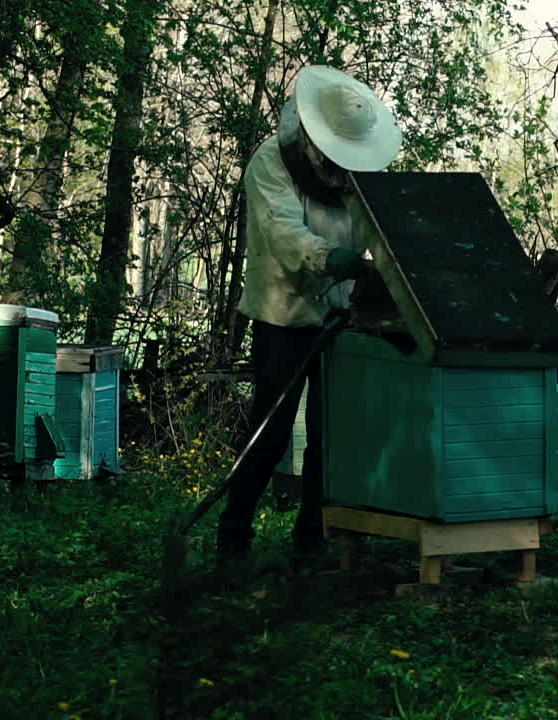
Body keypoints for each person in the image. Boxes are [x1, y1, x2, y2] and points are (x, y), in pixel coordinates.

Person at [217, 65, 403, 565]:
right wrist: (331, 258)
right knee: (272, 429)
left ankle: (311, 538)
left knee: (332, 432)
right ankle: (233, 538)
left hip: (342, 313)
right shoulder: (270, 161)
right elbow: (283, 233)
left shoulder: (356, 166)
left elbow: (375, 229)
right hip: (283, 313)